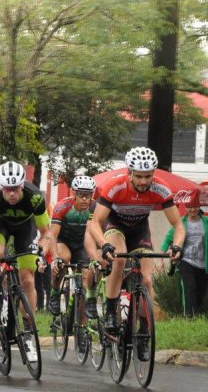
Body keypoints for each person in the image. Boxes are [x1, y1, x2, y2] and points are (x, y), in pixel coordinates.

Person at [86, 147, 184, 347]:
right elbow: (96, 222)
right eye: (138, 176)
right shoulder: (115, 186)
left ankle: (144, 329)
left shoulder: (161, 188)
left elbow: (178, 225)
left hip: (140, 231)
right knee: (119, 260)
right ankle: (112, 311)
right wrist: (104, 244)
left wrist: (177, 246)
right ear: (129, 172)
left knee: (146, 281)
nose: (143, 181)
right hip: (116, 226)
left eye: (148, 176)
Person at [0, 161, 50, 364]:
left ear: (22, 185)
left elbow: (47, 233)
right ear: (0, 187)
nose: (11, 194)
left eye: (15, 189)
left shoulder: (34, 196)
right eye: (7, 189)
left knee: (27, 280)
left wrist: (42, 249)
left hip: (26, 230)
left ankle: (28, 332)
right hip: (0, 226)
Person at [47, 175, 97, 321]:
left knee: (86, 284)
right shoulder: (62, 207)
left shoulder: (95, 208)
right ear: (73, 193)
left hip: (83, 245)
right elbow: (53, 235)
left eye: (88, 196)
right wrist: (55, 257)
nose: (84, 199)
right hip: (64, 241)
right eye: (81, 195)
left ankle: (81, 328)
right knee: (63, 259)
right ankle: (55, 292)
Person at [161, 190, 207, 318]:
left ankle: (196, 316)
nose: (192, 210)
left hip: (203, 263)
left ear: (199, 206)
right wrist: (159, 258)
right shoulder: (181, 223)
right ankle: (189, 317)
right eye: (189, 207)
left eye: (195, 206)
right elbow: (168, 239)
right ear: (185, 207)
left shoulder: (206, 222)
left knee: (200, 291)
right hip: (185, 260)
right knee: (189, 287)